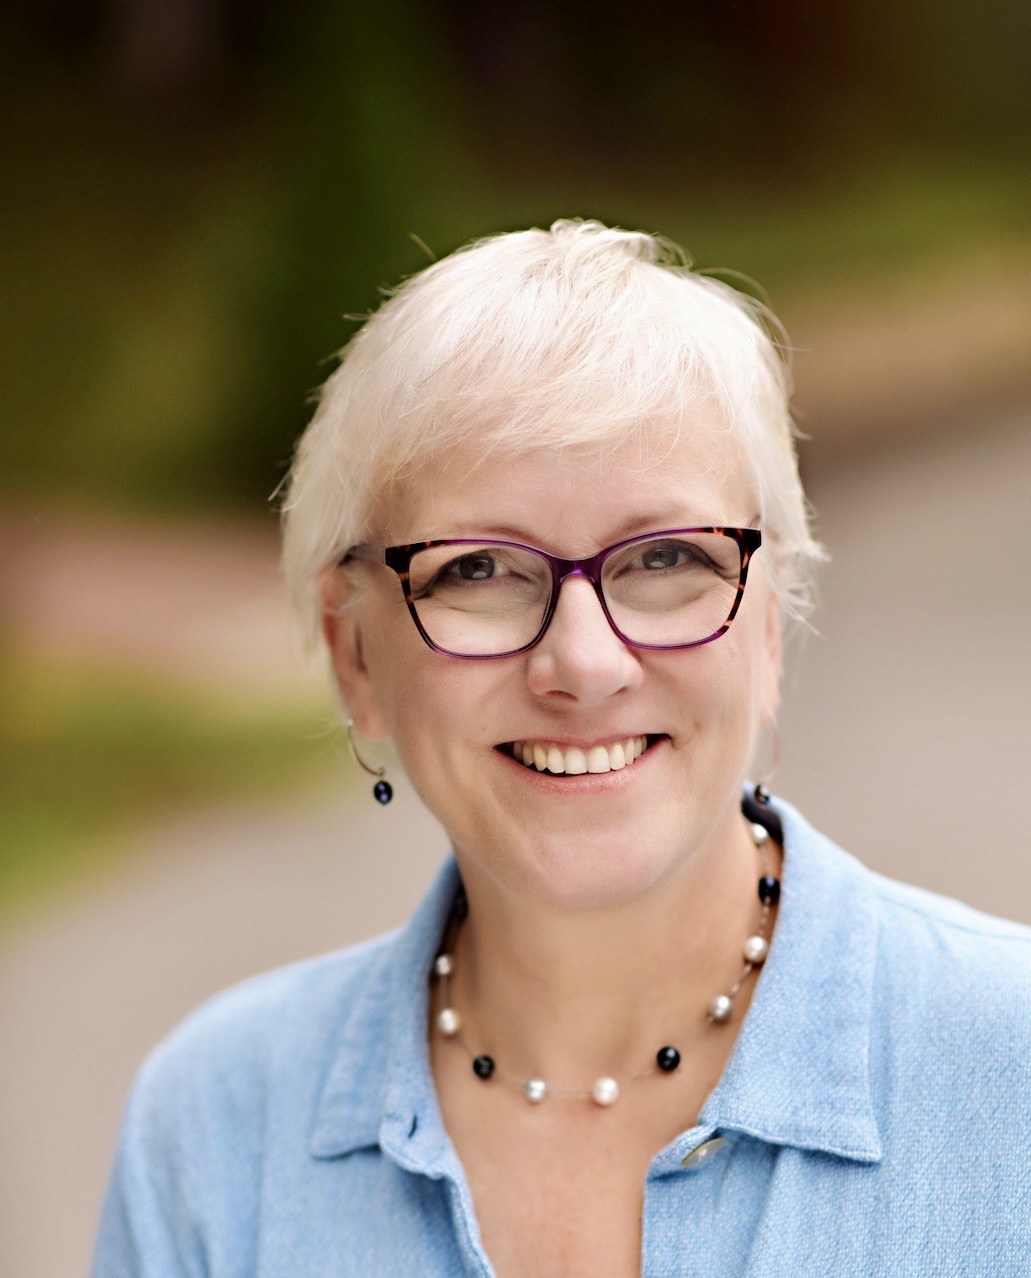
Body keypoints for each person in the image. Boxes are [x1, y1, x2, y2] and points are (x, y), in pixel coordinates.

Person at [92, 220, 1031, 1277]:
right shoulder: (215, 1128)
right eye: (479, 570)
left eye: (666, 556)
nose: (582, 663)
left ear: (766, 630)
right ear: (353, 655)